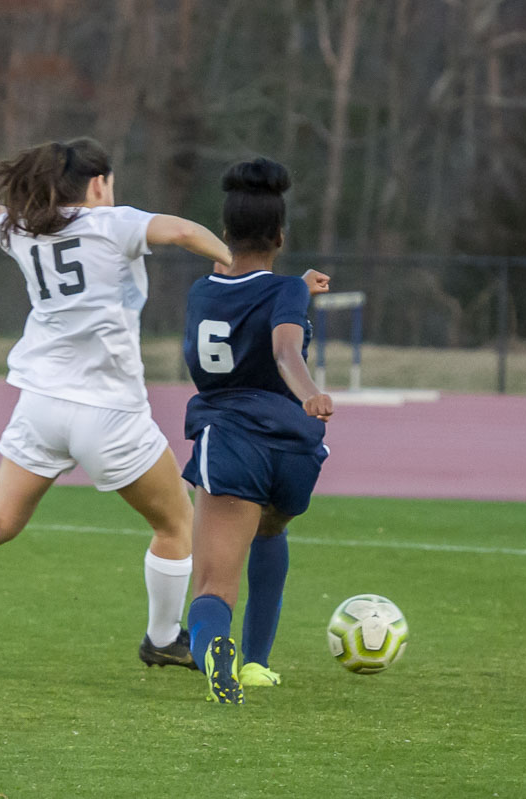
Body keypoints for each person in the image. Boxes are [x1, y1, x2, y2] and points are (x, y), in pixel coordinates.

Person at [0, 118, 234, 670]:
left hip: (39, 404)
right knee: (174, 523)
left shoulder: (26, 229)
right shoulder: (112, 223)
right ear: (97, 184)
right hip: (108, 412)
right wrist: (234, 262)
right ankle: (162, 639)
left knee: (0, 518)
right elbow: (183, 232)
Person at [179, 157, 334, 703]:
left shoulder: (202, 292)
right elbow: (285, 341)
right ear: (280, 235)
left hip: (233, 441)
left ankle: (215, 650)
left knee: (211, 588)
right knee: (272, 530)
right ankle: (258, 665)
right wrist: (307, 394)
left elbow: (280, 349)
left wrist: (305, 383)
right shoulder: (286, 289)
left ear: (224, 233)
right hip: (293, 447)